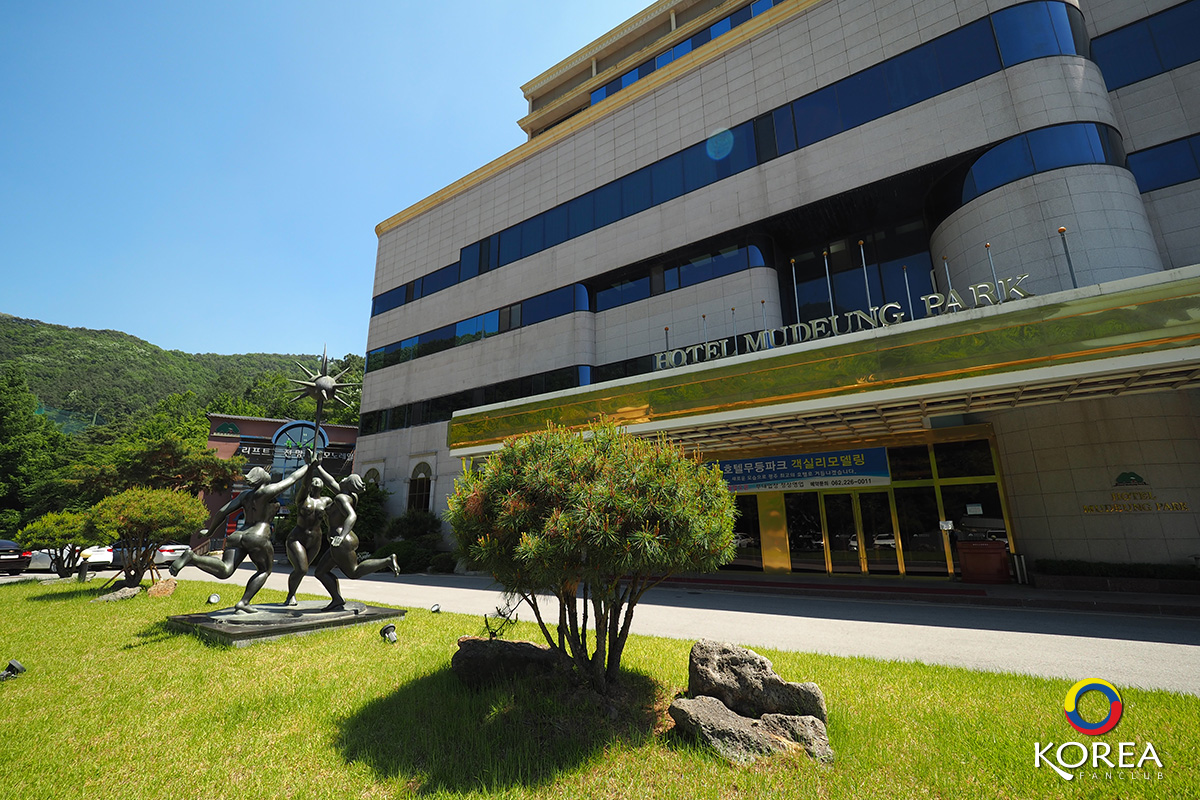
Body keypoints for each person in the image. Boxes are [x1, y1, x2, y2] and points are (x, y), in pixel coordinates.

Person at [170, 457, 313, 612]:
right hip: (258, 536)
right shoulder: (267, 491)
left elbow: (223, 512)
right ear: (262, 478)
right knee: (264, 570)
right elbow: (292, 478)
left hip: (237, 535)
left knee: (225, 570)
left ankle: (193, 557)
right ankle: (244, 602)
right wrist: (308, 465)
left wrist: (210, 531)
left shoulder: (245, 495)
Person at [311, 464, 399, 611]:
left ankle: (387, 561)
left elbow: (352, 516)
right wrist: (318, 466)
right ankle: (337, 599)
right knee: (320, 572)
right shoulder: (349, 495)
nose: (342, 479)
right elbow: (330, 482)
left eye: (346, 478)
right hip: (341, 540)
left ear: (348, 483)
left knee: (354, 572)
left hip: (341, 541)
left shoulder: (341, 498)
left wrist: (341, 536)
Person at [282, 461, 337, 607]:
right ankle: (291, 595)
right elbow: (304, 486)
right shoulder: (303, 499)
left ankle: (293, 593)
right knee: (301, 569)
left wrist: (320, 467)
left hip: (315, 539)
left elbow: (333, 515)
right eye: (313, 480)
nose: (316, 481)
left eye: (319, 480)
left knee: (303, 570)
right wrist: (310, 468)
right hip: (297, 538)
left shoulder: (327, 501)